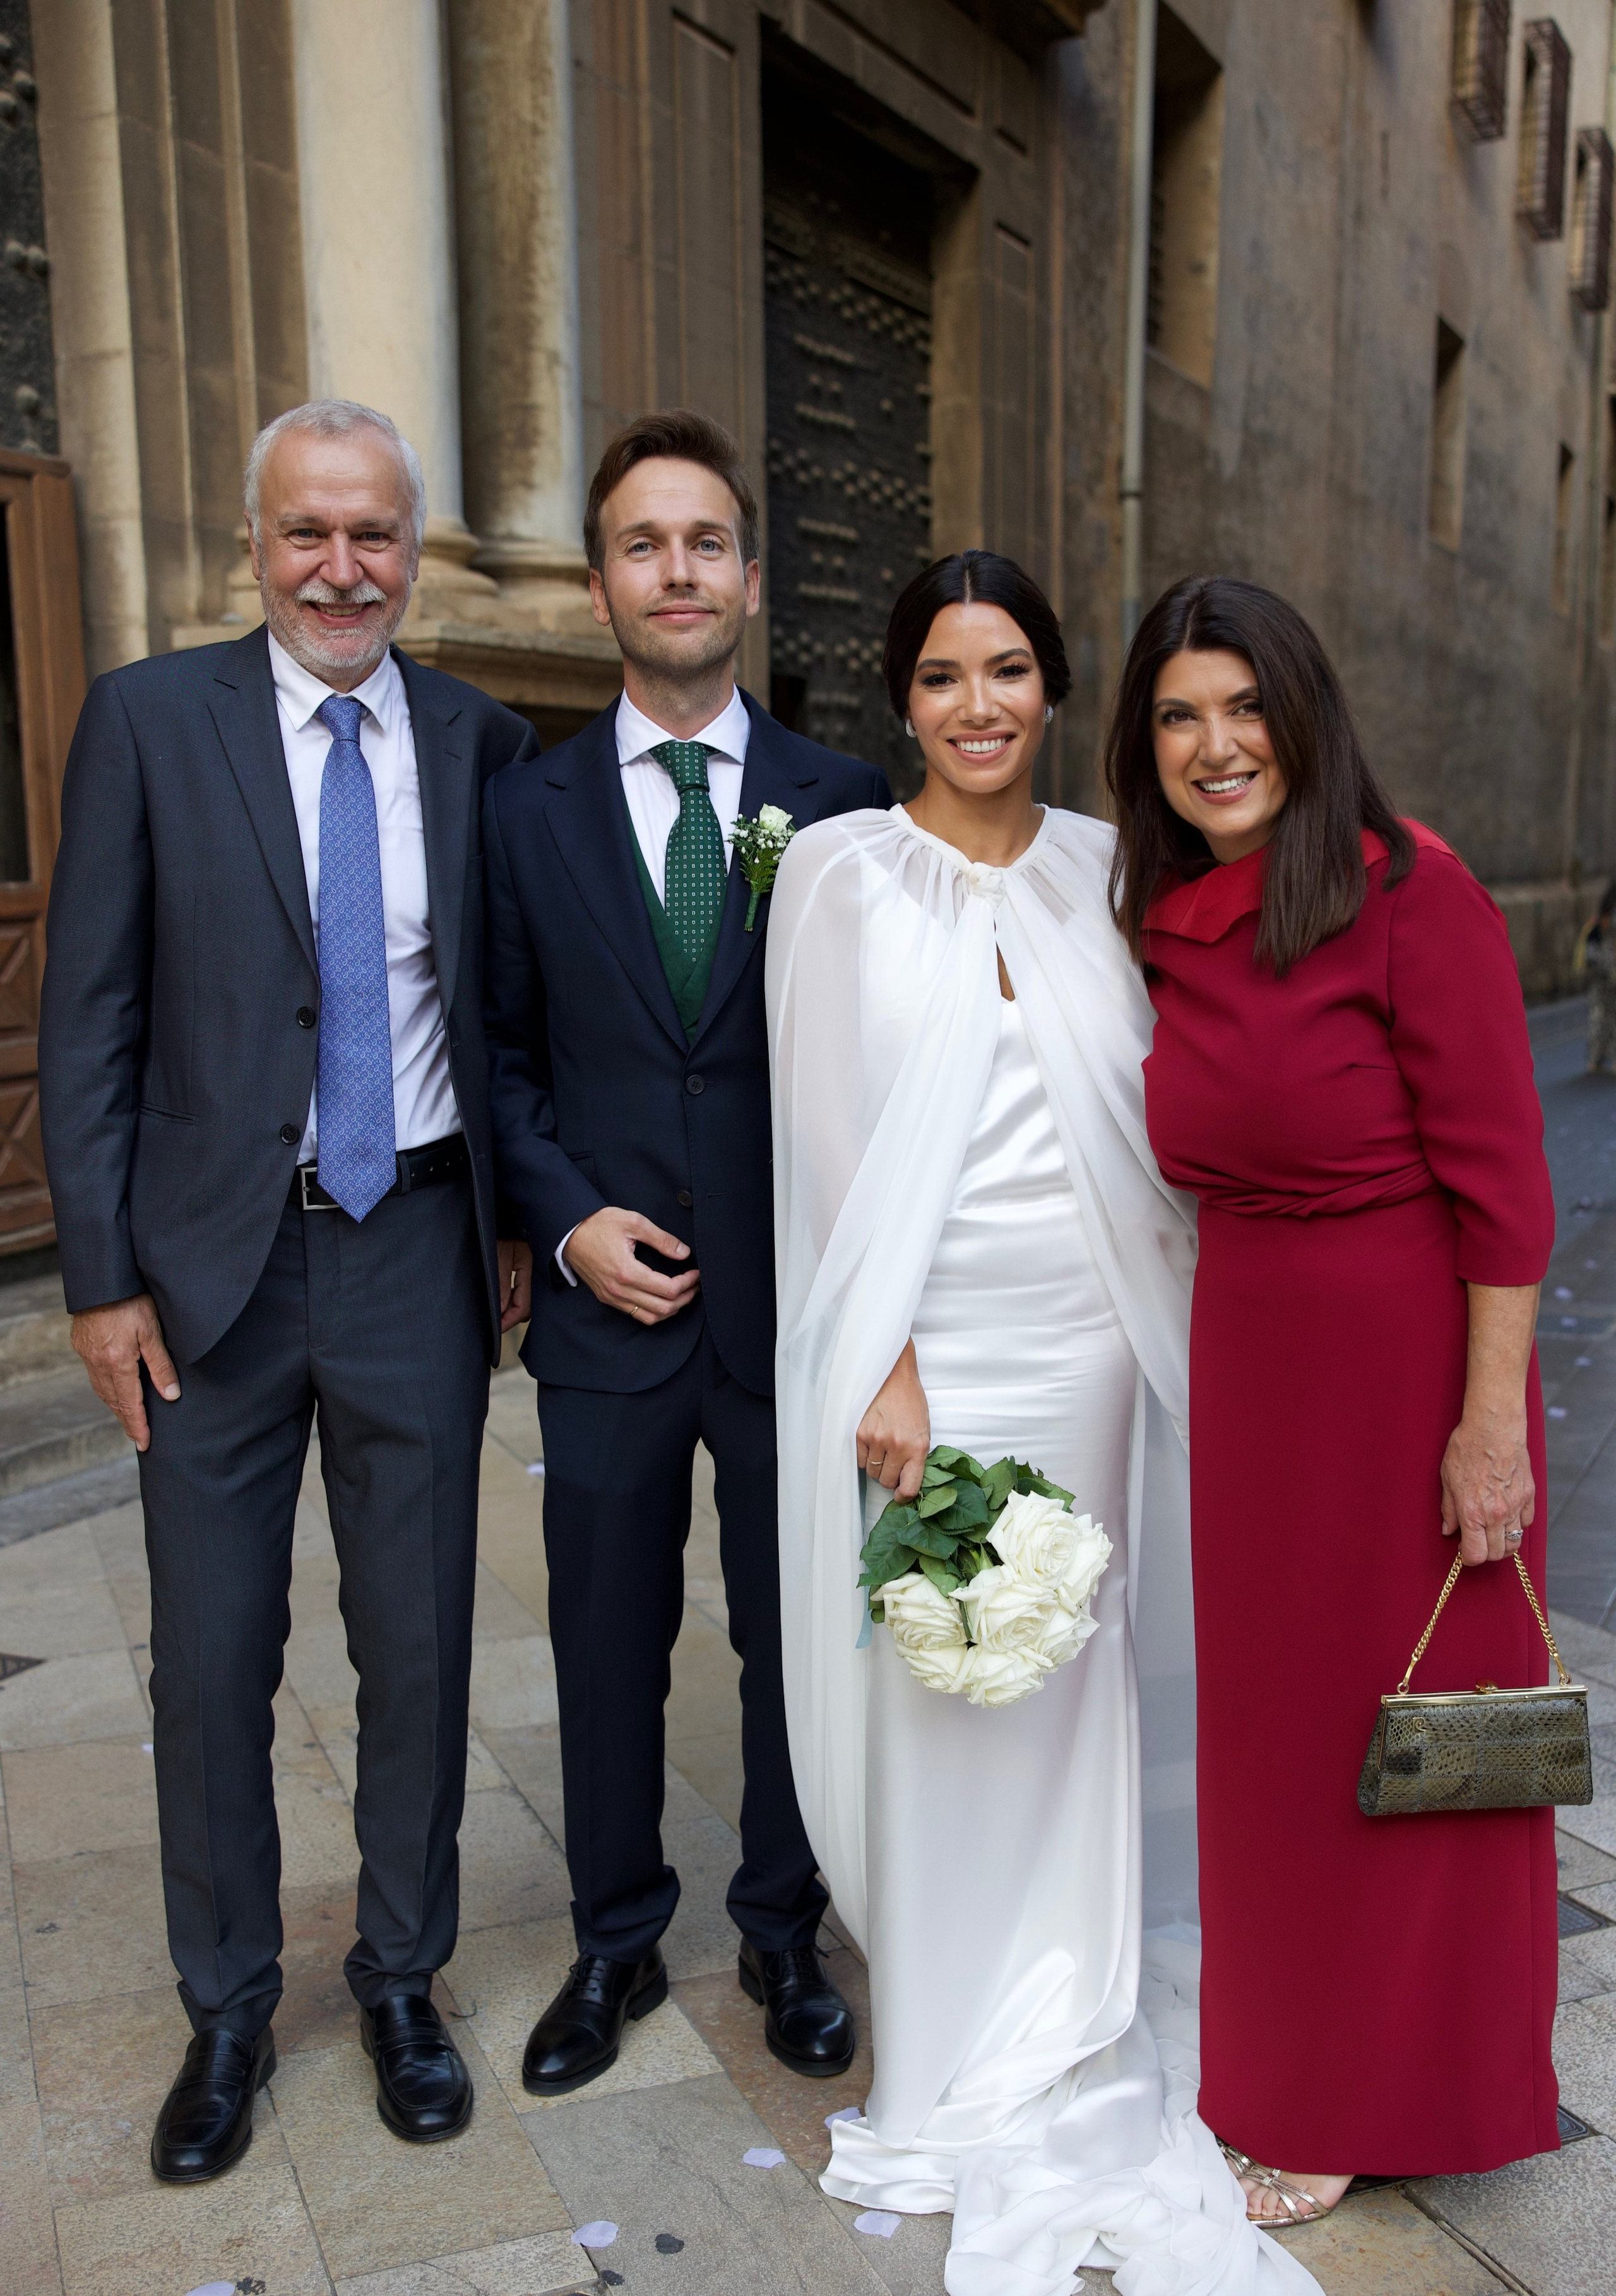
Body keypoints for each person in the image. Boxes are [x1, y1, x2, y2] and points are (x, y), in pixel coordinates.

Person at [769, 551, 1316, 2294]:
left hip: (1087, 1333)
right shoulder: (844, 877)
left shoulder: (1109, 871)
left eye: (1009, 668)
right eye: (942, 675)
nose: (978, 704)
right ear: (898, 697)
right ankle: (940, 2021)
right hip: (933, 1341)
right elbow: (826, 1147)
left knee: (1065, 1657)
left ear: (1056, 686)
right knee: (939, 1671)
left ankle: (1075, 1977)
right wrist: (885, 1360)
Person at [39, 400, 537, 2181]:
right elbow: (87, 1010)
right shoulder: (150, 720)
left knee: (414, 1648)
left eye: (376, 535)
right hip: (206, 1274)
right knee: (209, 1661)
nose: (344, 568)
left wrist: (517, 1216)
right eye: (308, 532)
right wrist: (100, 1277)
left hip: (411, 1240)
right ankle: (229, 2004)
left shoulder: (483, 740)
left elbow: (506, 1009)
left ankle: (400, 1972)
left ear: (412, 549)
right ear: (254, 543)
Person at [1108, 575, 1558, 2223]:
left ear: (1305, 716)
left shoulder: (1412, 892)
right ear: (1142, 742)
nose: (1216, 744)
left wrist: (1492, 1423)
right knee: (1281, 1745)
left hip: (1411, 1369)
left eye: (1244, 707)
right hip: (1255, 1364)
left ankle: (1394, 2087)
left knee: (1423, 1738)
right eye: (1179, 713)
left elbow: (1508, 1186)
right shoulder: (1158, 912)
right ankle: (1290, 2064)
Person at [482, 410, 888, 2095]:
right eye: (643, 545)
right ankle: (615, 1931)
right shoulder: (523, 809)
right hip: (610, 1320)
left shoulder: (839, 803)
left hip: (793, 1321)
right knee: (604, 1634)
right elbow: (494, 1057)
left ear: (747, 575)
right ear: (599, 588)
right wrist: (567, 1218)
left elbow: (872, 1068)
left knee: (799, 1635)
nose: (676, 570)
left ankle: (787, 1923)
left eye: (705, 541)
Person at [1575, 882, 1616, 1074]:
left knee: (1602, 1016)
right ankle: (1596, 1058)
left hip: (1605, 971)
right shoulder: (1599, 926)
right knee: (1600, 1016)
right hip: (1603, 974)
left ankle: (1600, 1057)